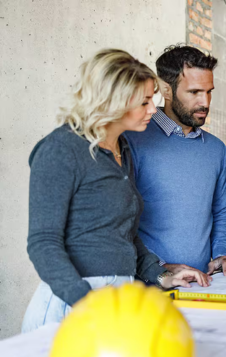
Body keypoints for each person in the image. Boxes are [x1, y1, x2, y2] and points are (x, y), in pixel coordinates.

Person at [22, 49, 208, 333]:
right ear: (113, 101)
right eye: (145, 102)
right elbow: (43, 243)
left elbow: (126, 236)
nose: (152, 110)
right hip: (73, 307)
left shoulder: (123, 151)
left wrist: (161, 277)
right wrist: (86, 302)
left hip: (118, 302)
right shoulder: (61, 149)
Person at [125, 45, 226, 276]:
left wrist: (221, 254)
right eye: (194, 92)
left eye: (209, 91)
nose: (206, 102)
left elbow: (220, 211)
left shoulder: (216, 150)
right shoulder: (132, 140)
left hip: (202, 285)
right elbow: (122, 220)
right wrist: (158, 269)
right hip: (149, 285)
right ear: (166, 90)